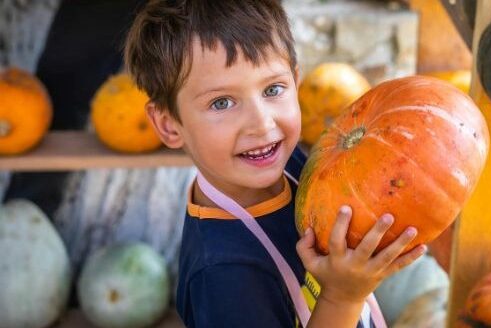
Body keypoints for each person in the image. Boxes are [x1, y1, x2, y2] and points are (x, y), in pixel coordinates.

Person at [124, 0, 427, 327]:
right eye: (222, 102)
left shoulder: (291, 162)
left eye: (273, 89)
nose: (262, 123)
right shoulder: (224, 277)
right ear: (169, 124)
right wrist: (344, 296)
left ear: (296, 82)